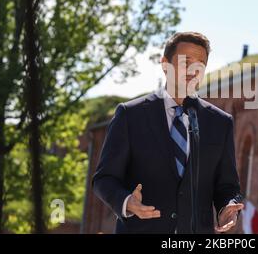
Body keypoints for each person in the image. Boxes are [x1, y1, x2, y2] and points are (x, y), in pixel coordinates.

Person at [92, 32, 244, 234]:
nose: (193, 70)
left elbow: (227, 185)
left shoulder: (220, 123)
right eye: (185, 62)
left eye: (200, 63)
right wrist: (127, 202)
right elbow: (104, 179)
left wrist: (228, 206)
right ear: (165, 64)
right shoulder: (130, 115)